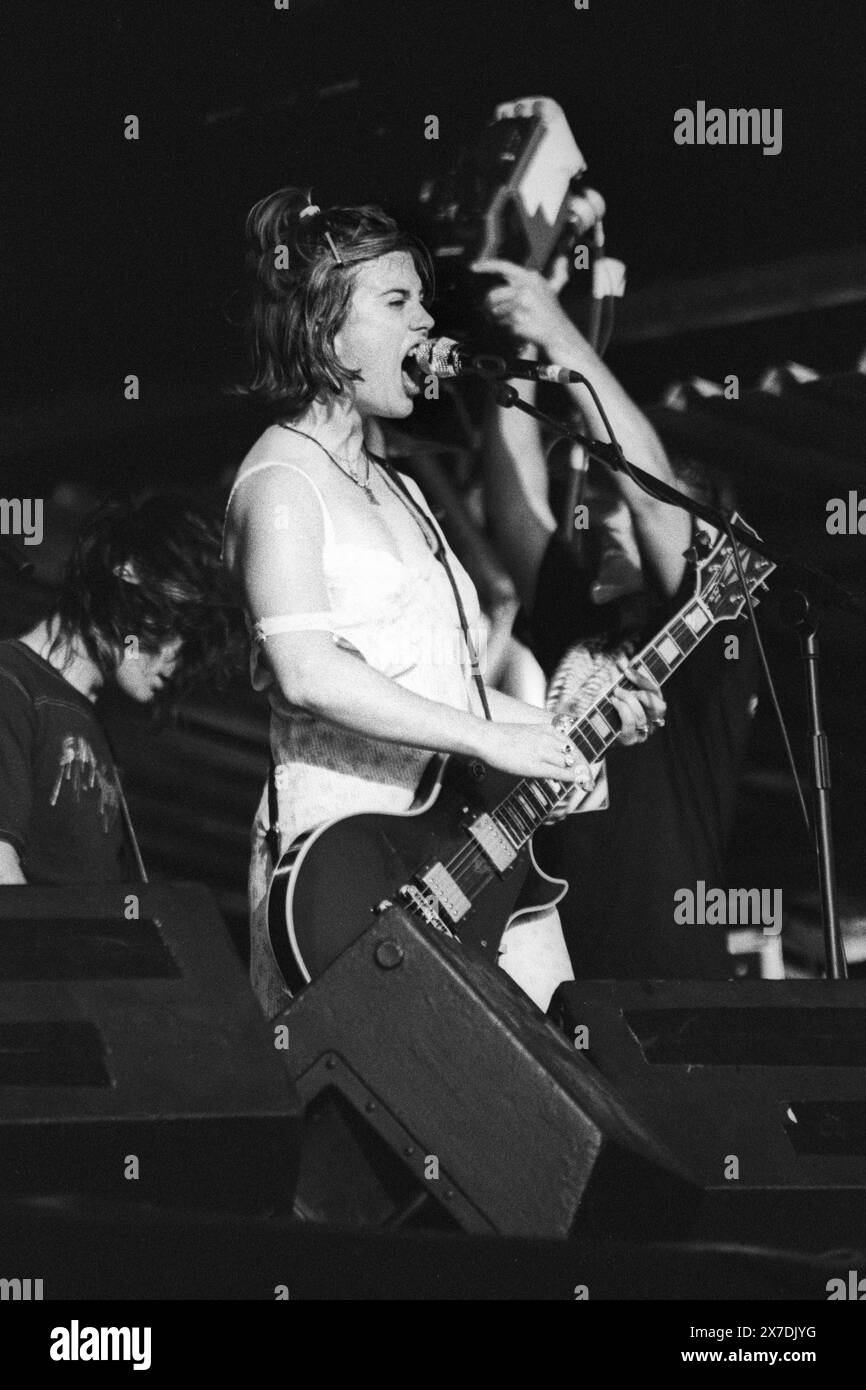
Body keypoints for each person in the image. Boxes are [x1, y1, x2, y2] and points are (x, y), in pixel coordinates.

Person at [221, 186, 666, 1018]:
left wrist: (568, 727)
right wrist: (494, 737)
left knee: (559, 1086)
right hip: (350, 861)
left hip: (460, 847)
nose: (427, 321)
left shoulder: (401, 488)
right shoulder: (281, 480)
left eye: (423, 300)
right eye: (397, 301)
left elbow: (441, 685)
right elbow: (306, 674)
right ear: (323, 327)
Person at [476, 254, 759, 980]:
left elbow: (652, 496)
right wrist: (516, 353)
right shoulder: (582, 618)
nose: (599, 518)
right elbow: (515, 504)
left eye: (614, 505)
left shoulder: (709, 640)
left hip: (662, 980)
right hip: (553, 967)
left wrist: (563, 336)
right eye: (596, 500)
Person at [0, 493, 239, 887]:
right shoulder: (13, 682)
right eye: (170, 621)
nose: (175, 654)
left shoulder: (90, 722)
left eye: (190, 638)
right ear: (125, 573)